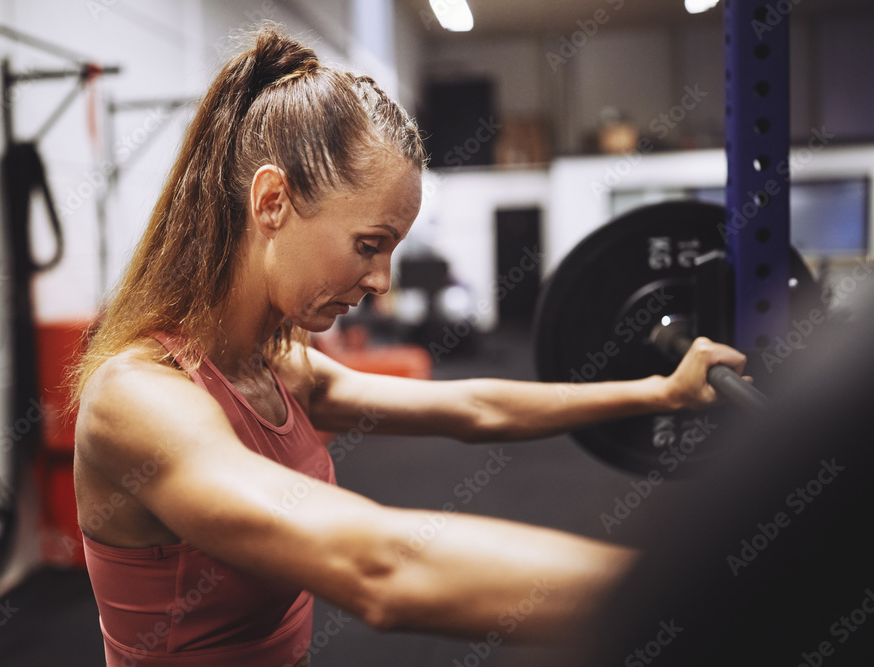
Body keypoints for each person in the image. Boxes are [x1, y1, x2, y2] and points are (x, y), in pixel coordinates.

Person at [68, 23, 749, 667]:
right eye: (368, 245)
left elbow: (475, 407)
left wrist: (660, 391)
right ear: (271, 200)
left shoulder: (276, 366)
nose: (380, 281)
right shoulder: (137, 399)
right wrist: (698, 589)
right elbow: (384, 568)